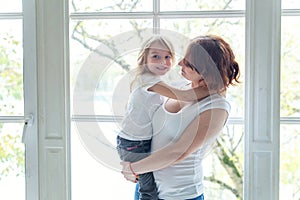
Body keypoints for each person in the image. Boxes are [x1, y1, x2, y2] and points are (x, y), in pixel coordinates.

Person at [121, 35, 240, 200]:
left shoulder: (217, 108)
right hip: (147, 189)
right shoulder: (180, 86)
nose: (179, 64)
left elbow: (178, 151)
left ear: (204, 69)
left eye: (188, 62)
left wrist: (132, 168)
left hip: (180, 195)